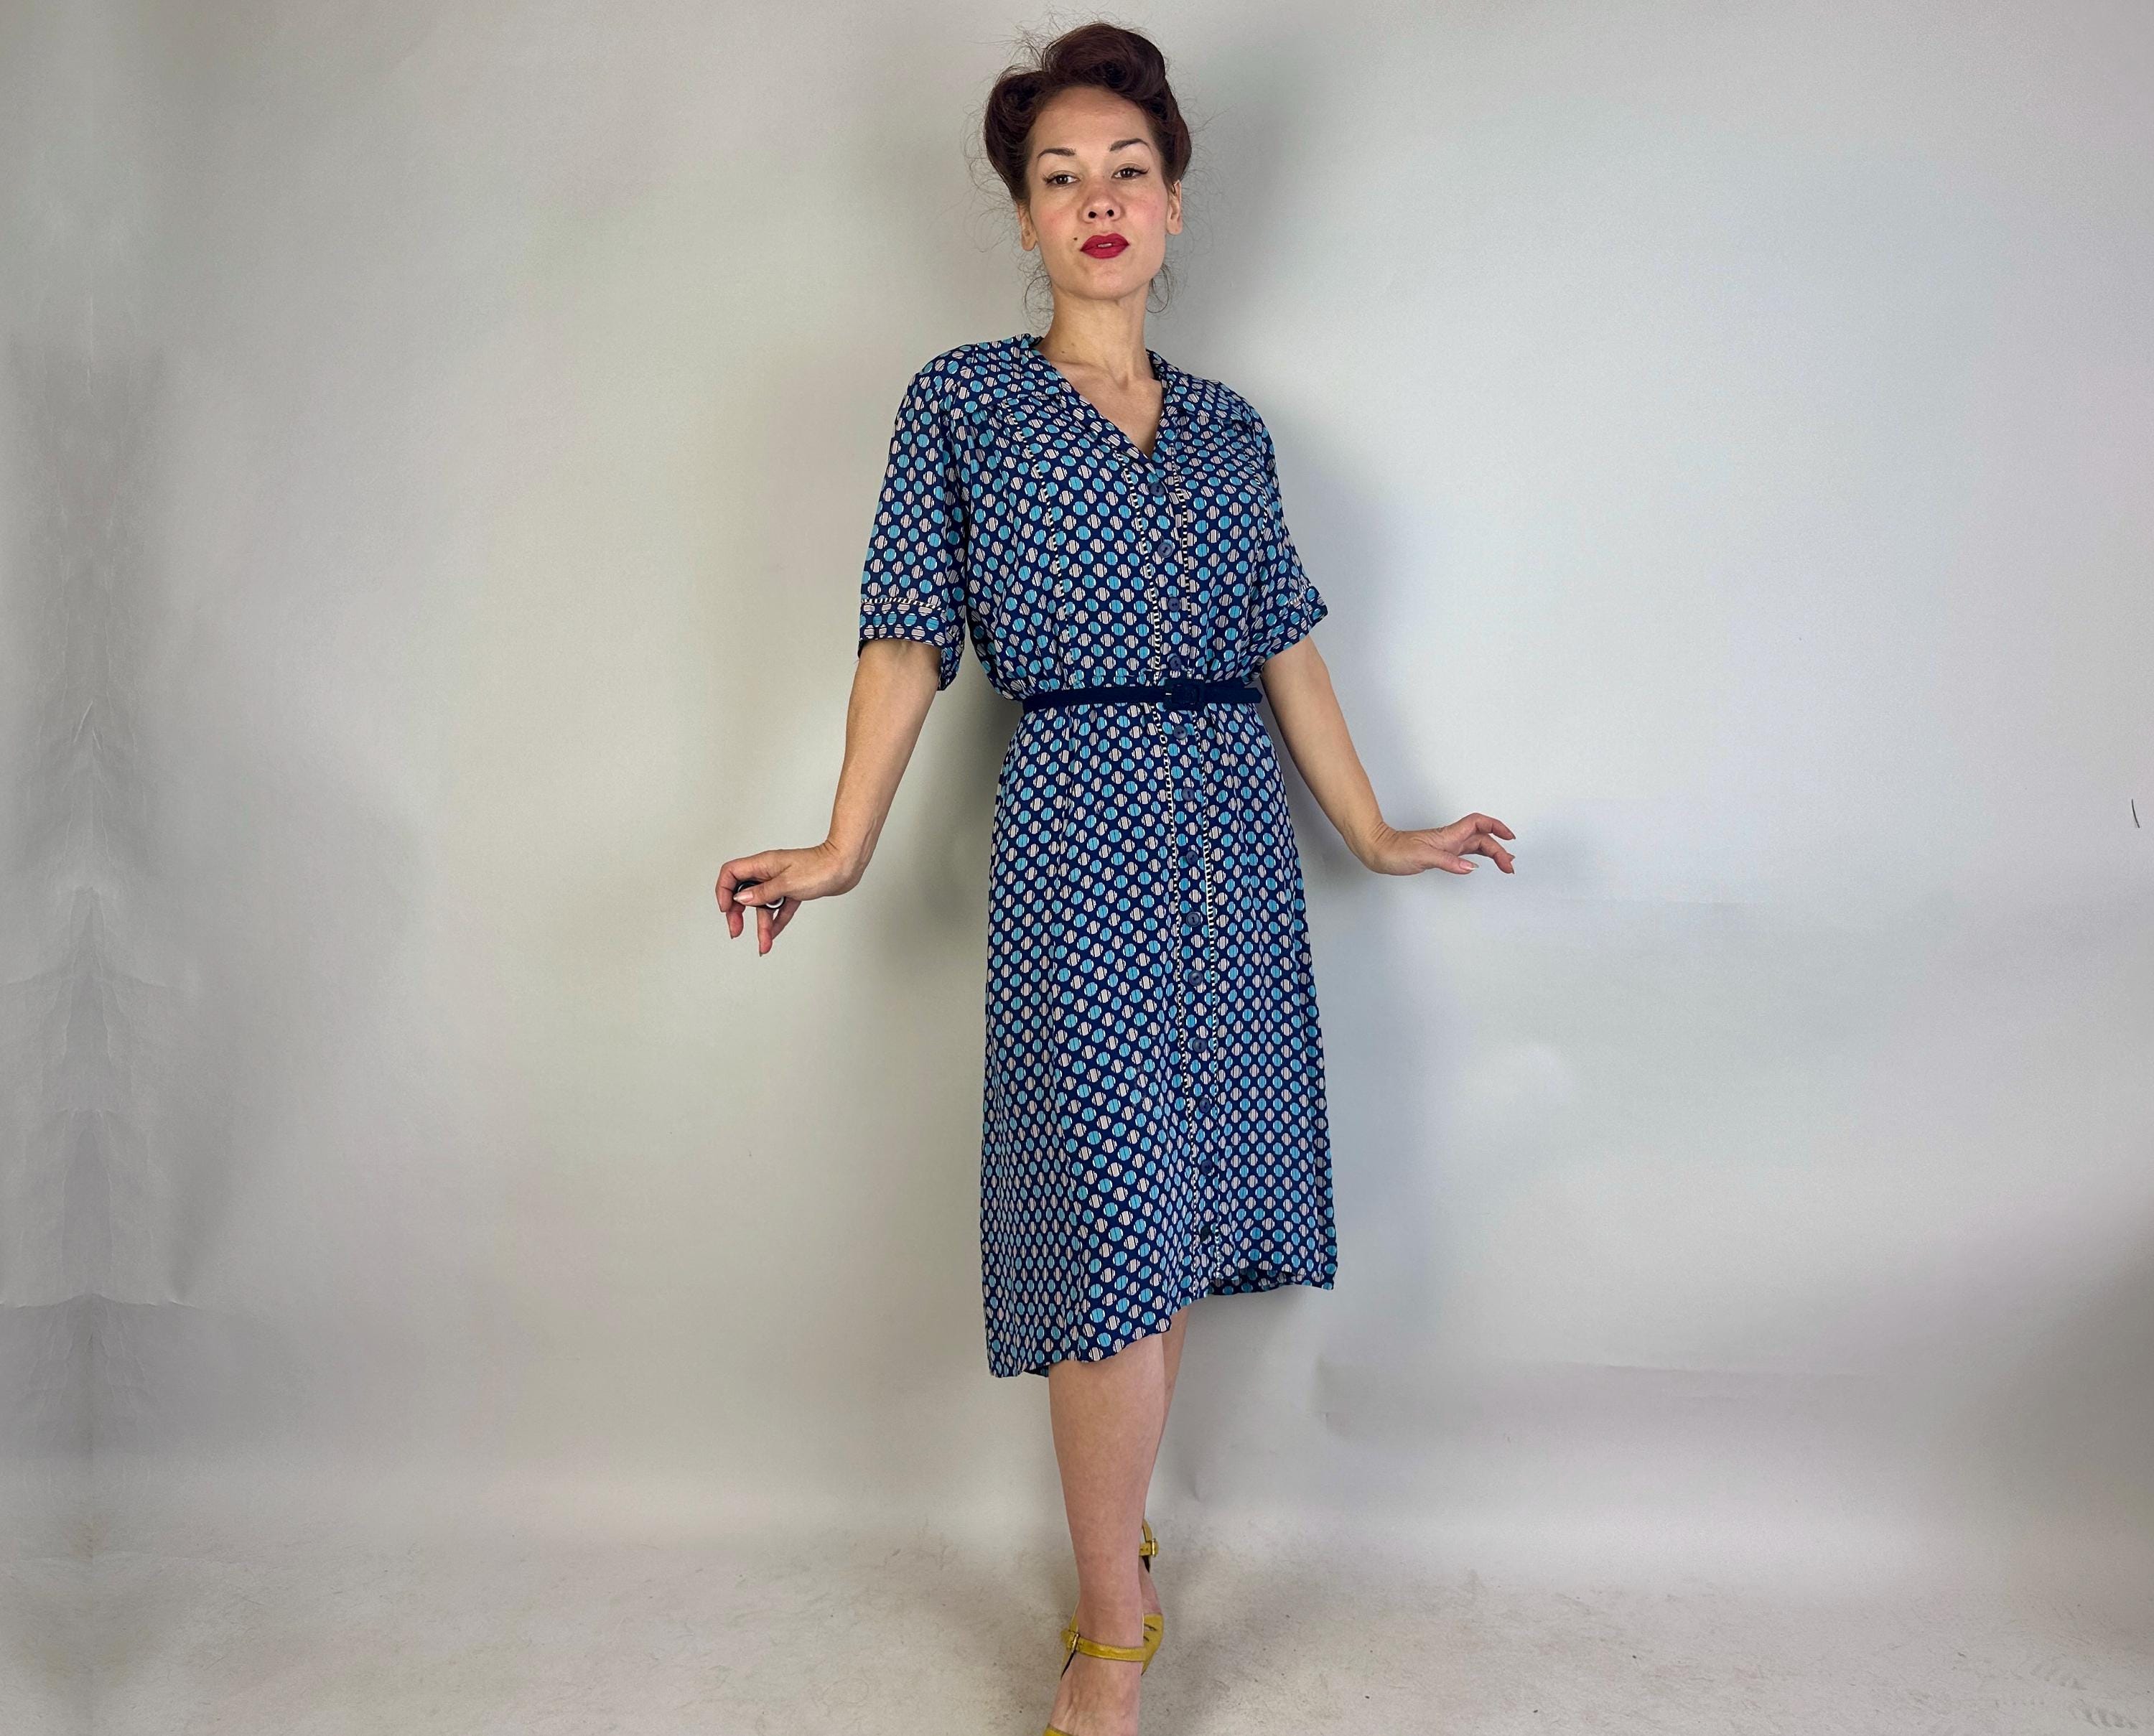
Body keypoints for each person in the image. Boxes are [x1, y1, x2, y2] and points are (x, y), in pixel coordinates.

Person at [716, 22, 1516, 1735]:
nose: (1098, 199)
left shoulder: (1229, 430)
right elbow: (904, 635)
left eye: (1128, 170)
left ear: (1173, 203)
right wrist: (842, 844)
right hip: (1077, 832)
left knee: (1187, 1217)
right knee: (1110, 1232)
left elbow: (1287, 639)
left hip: (1234, 846)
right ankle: (1112, 1641)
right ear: (1023, 217)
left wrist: (1378, 833)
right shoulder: (965, 402)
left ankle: (1113, 1560)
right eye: (1060, 175)